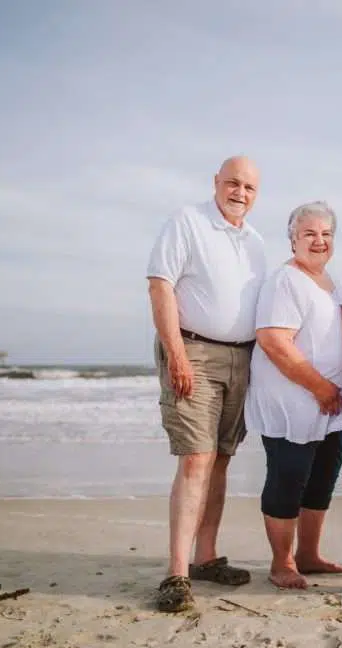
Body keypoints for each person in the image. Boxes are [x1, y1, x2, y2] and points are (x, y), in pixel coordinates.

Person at [145, 156, 266, 613]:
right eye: (232, 183)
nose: (240, 192)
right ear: (216, 183)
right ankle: (176, 573)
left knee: (220, 461)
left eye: (249, 187)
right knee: (196, 459)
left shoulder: (254, 240)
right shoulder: (187, 221)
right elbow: (160, 287)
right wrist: (176, 353)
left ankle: (206, 557)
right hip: (192, 350)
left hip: (242, 357)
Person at [244, 201, 342, 590]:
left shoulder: (332, 282)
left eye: (326, 234)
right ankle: (281, 562)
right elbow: (273, 340)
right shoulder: (285, 280)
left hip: (330, 406)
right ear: (293, 240)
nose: (318, 241)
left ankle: (309, 554)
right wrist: (320, 386)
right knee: (288, 479)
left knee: (322, 479)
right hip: (293, 401)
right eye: (309, 234)